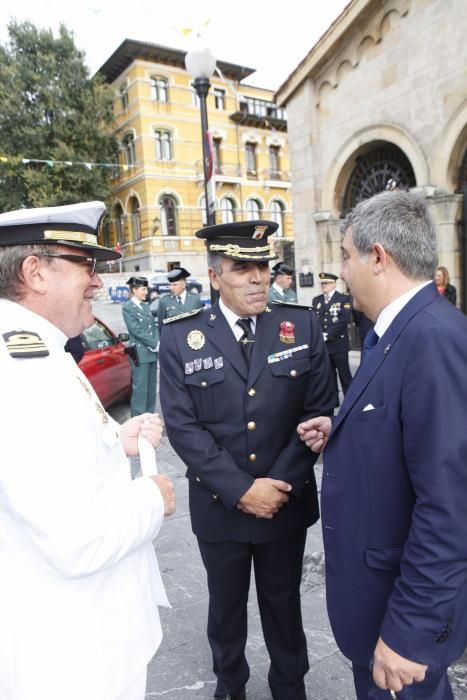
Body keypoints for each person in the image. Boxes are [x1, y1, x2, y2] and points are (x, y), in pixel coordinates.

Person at [0, 201, 176, 700]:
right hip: (70, 656)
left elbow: (50, 457)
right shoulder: (25, 368)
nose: (98, 283)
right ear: (35, 272)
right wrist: (152, 498)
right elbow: (75, 539)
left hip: (68, 637)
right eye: (86, 265)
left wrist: (112, 441)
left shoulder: (33, 347)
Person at [297, 191, 467, 699]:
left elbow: (451, 507)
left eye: (346, 256)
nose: (342, 271)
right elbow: (405, 432)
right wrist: (343, 430)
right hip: (376, 606)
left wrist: (410, 632)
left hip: (399, 621)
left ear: (378, 257)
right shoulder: (396, 331)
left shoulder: (433, 339)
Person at [159, 219, 335, 700]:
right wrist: (241, 490)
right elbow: (184, 427)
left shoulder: (299, 324)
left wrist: (277, 485)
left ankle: (289, 686)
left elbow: (318, 411)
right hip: (221, 506)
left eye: (262, 266)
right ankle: (230, 684)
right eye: (243, 268)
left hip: (284, 500)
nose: (258, 277)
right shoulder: (182, 336)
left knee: (284, 605)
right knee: (226, 605)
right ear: (215, 276)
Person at [122, 276, 159, 416]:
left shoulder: (145, 305)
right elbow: (135, 330)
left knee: (151, 388)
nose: (146, 292)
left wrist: (157, 343)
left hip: (151, 352)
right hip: (140, 353)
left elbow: (153, 327)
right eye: (144, 289)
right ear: (134, 290)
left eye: (146, 289)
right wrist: (154, 343)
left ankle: (149, 417)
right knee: (140, 389)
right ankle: (137, 420)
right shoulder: (128, 307)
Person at [312, 272, 352, 400]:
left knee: (344, 375)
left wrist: (327, 335)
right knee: (329, 376)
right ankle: (333, 401)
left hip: (338, 344)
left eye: (326, 283)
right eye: (322, 283)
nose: (323, 285)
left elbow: (344, 320)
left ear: (334, 284)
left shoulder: (343, 298)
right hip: (325, 346)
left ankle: (350, 400)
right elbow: (314, 320)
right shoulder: (317, 300)